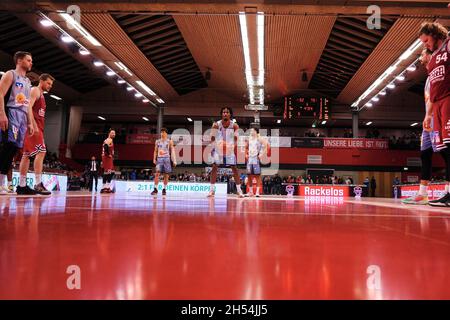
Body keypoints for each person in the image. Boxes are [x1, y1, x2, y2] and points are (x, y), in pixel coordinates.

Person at [403, 49, 440, 204]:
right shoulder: (427, 78)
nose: (420, 56)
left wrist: (430, 116)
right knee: (425, 155)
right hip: (428, 122)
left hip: (437, 119)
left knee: (445, 153)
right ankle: (422, 193)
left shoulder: (438, 74)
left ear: (431, 55)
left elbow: (436, 97)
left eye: (423, 53)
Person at [420, 22, 450, 206]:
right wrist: (428, 115)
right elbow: (432, 95)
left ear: (435, 34)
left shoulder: (447, 46)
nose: (425, 44)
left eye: (426, 40)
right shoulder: (432, 60)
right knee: (446, 150)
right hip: (437, 105)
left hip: (448, 100)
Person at [0, 51, 35, 194]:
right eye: (28, 60)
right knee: (7, 147)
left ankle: (4, 184)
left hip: (22, 116)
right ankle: (1, 182)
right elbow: (0, 93)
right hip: (10, 111)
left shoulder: (28, 81)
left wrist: (30, 122)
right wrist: (2, 113)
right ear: (19, 61)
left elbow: (26, 104)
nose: (31, 62)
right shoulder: (10, 74)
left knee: (14, 149)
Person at [18, 73, 54, 195]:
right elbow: (28, 107)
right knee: (41, 152)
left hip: (36, 127)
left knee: (26, 155)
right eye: (48, 83)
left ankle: (21, 185)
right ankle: (38, 184)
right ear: (42, 81)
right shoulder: (35, 90)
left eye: (51, 84)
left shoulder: (42, 95)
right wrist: (32, 123)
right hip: (33, 127)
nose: (50, 86)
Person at [207, 107, 244, 198]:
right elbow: (211, 139)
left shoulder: (234, 125)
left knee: (234, 168)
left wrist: (231, 147)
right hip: (218, 148)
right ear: (221, 114)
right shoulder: (216, 125)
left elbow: (236, 139)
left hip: (229, 148)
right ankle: (212, 190)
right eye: (223, 112)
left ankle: (239, 191)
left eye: (227, 112)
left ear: (230, 114)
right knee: (215, 167)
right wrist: (216, 146)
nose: (225, 114)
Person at [151, 128, 177, 196]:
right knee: (157, 174)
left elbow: (172, 151)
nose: (162, 133)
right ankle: (155, 189)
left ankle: (164, 189)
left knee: (166, 175)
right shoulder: (157, 141)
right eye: (161, 132)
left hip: (167, 159)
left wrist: (174, 161)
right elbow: (155, 151)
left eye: (163, 132)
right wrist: (154, 159)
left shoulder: (170, 141)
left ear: (166, 133)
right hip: (159, 159)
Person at [245, 127, 268, 197]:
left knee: (257, 176)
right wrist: (246, 154)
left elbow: (266, 146)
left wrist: (261, 155)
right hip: (250, 159)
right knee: (249, 175)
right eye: (250, 131)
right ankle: (250, 192)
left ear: (256, 131)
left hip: (256, 158)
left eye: (252, 131)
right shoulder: (249, 139)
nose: (251, 132)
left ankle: (257, 192)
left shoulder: (260, 139)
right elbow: (246, 147)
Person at [100, 129, 115, 193]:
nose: (114, 134)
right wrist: (109, 154)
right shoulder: (109, 139)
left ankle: (107, 187)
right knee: (107, 173)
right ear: (109, 133)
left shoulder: (107, 140)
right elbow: (106, 146)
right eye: (112, 133)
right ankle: (104, 188)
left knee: (111, 172)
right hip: (107, 158)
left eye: (114, 133)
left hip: (106, 157)